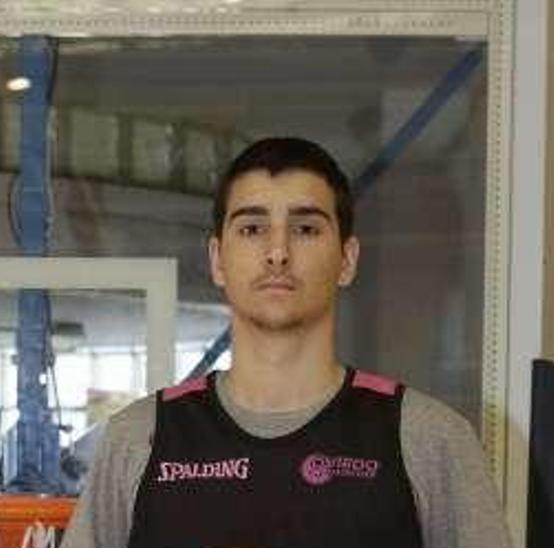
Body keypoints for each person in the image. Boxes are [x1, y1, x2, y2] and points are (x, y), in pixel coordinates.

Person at [60, 137, 510, 548]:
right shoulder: (137, 440)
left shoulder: (429, 441)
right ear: (218, 259)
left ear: (347, 260)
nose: (278, 252)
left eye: (306, 229)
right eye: (252, 229)